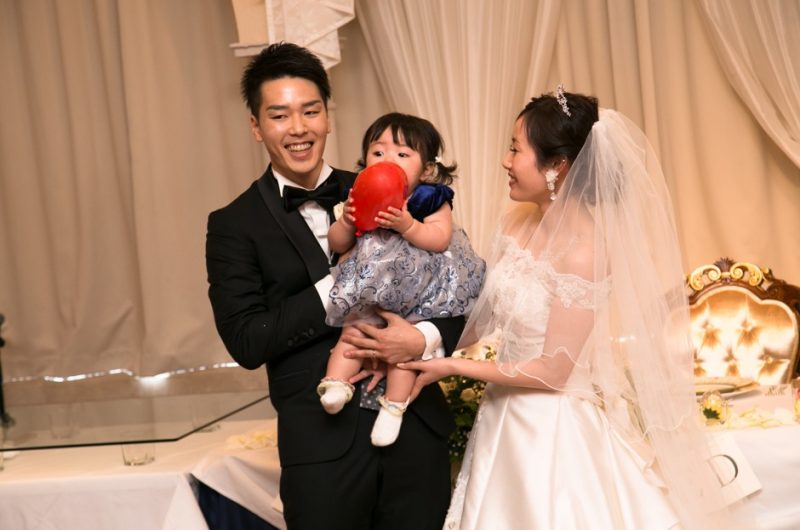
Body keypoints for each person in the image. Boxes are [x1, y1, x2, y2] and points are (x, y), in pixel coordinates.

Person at [399, 87, 734, 529]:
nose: (505, 161)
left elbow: (553, 371)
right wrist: (416, 340)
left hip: (551, 430)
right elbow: (484, 317)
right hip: (501, 415)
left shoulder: (585, 251)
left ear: (556, 166)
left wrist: (453, 367)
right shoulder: (515, 224)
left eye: (516, 149)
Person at [205, 43, 465, 530]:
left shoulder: (400, 185)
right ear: (256, 126)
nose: (298, 128)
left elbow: (457, 286)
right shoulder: (233, 224)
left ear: (328, 115)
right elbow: (247, 340)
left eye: (311, 111)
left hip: (414, 427)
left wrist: (421, 339)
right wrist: (342, 285)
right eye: (280, 115)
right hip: (321, 449)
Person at [318, 113, 485, 447]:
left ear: (426, 168)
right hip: (372, 293)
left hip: (415, 296)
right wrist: (347, 221)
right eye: (378, 152)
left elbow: (439, 239)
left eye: (402, 153)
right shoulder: (358, 195)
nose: (387, 160)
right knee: (353, 334)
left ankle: (394, 407)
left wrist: (407, 224)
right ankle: (336, 383)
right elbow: (337, 244)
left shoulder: (428, 199)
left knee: (404, 356)